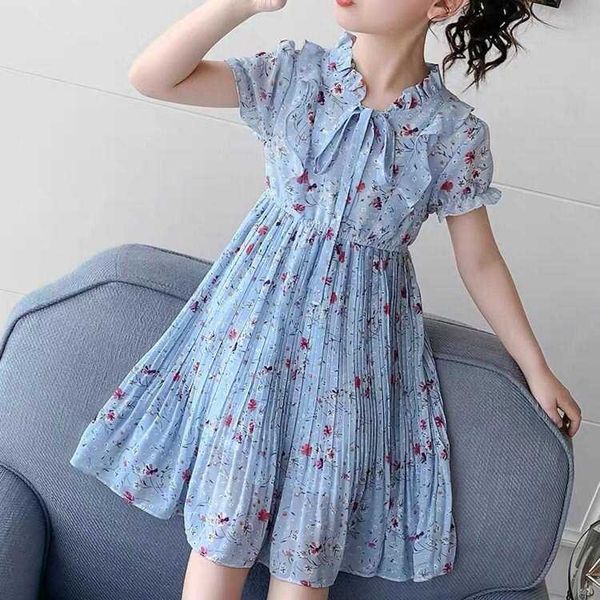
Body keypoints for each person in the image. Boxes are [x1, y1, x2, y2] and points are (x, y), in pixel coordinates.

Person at [69, 0, 583, 598]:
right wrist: (240, 4)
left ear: (445, 5)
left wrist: (536, 368)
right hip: (251, 343)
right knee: (220, 535)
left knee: (309, 548)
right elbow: (153, 78)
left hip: (353, 367)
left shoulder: (452, 133)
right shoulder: (297, 75)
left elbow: (480, 261)